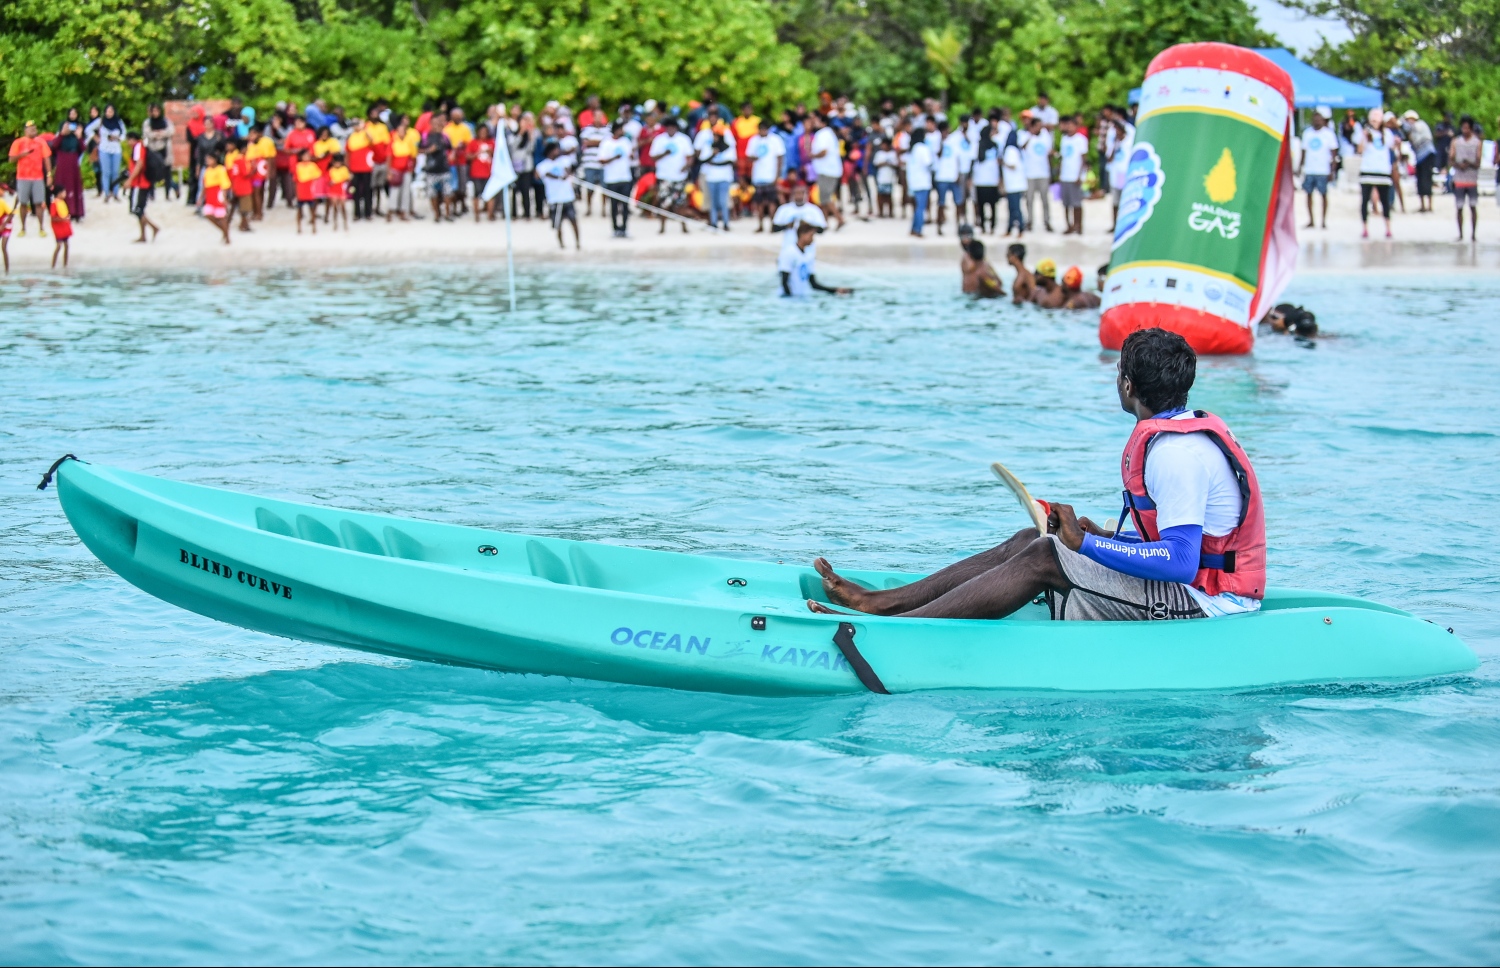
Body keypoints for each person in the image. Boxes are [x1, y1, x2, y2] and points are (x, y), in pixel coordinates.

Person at [807, 327, 1265, 623]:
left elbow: (1182, 563)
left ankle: (898, 629)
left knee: (1046, 555)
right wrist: (1103, 536)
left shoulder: (1176, 454)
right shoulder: (1178, 437)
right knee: (1030, 537)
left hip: (1210, 607)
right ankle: (884, 602)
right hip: (1194, 587)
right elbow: (1173, 547)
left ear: (1127, 385)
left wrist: (1083, 545)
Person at [779, 221, 852, 297]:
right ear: (802, 235)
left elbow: (813, 284)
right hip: (789, 298)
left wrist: (835, 290)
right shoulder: (789, 253)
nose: (813, 239)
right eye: (811, 235)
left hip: (802, 298)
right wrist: (790, 299)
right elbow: (784, 281)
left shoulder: (809, 255)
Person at [1357, 108, 1397, 239]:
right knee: (1365, 200)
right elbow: (1360, 150)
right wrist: (1364, 137)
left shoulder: (1387, 133)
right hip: (1368, 169)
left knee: (1385, 201)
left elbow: (1392, 148)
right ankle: (1365, 228)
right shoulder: (1365, 133)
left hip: (1382, 170)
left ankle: (1388, 227)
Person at [649, 117, 694, 234]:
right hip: (664, 176)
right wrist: (664, 153)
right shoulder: (659, 140)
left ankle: (683, 226)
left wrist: (686, 166)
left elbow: (690, 157)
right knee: (664, 203)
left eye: (673, 128)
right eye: (668, 128)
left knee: (681, 203)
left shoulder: (684, 139)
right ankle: (662, 227)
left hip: (680, 177)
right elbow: (652, 157)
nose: (671, 130)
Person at [9, 121, 52, 236]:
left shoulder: (41, 142)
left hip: (38, 177)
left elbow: (46, 158)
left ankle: (41, 228)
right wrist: (22, 155)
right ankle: (23, 228)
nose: (34, 130)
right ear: (25, 130)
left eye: (35, 128)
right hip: (23, 177)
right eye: (31, 129)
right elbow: (11, 159)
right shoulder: (19, 142)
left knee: (39, 203)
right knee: (23, 203)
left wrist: (49, 175)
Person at [1300, 108, 1338, 229]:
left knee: (1323, 195)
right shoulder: (1307, 134)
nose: (1316, 121)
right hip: (1310, 169)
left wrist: (1332, 170)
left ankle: (1323, 220)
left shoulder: (1328, 134)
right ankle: (1311, 220)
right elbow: (1303, 152)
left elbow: (1334, 154)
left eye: (1319, 119)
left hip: (1323, 169)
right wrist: (1300, 167)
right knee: (1309, 194)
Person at [537, 141, 580, 249]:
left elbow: (568, 169)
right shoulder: (543, 165)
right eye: (556, 149)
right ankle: (561, 245)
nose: (558, 151)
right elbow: (544, 174)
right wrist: (559, 177)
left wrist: (567, 173)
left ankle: (578, 243)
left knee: (574, 221)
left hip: (567, 198)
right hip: (554, 200)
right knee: (558, 225)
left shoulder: (564, 160)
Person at [697, 118, 737, 230]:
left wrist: (713, 162)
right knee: (712, 202)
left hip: (724, 177)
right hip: (711, 177)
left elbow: (730, 161)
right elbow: (703, 160)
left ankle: (725, 223)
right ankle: (714, 223)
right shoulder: (710, 147)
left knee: (723, 202)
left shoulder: (728, 147)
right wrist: (713, 155)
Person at [747, 119, 786, 231]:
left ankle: (772, 224)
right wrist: (754, 158)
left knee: (771, 201)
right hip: (758, 176)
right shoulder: (754, 140)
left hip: (770, 176)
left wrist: (777, 175)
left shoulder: (775, 140)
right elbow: (749, 156)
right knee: (759, 202)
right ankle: (760, 225)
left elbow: (780, 158)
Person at [808, 113, 845, 230]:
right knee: (823, 197)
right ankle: (824, 222)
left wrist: (812, 155)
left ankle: (840, 219)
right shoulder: (827, 133)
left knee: (826, 198)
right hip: (827, 170)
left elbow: (824, 152)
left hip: (827, 171)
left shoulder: (823, 134)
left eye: (816, 120)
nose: (814, 122)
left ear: (822, 122)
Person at [598, 120, 634, 237]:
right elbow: (601, 160)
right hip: (611, 179)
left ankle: (624, 229)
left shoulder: (625, 141)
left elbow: (631, 155)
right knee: (613, 206)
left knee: (624, 206)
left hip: (625, 178)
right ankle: (615, 229)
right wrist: (614, 158)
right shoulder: (606, 143)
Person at [1019, 115, 1052, 232]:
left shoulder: (1045, 135)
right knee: (1029, 199)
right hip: (1030, 173)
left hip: (1043, 173)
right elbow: (1022, 147)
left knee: (1045, 199)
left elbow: (1049, 152)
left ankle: (1047, 221)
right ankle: (1030, 221)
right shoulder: (1024, 135)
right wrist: (1030, 135)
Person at [1451, 115, 1482, 241]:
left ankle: (1473, 234)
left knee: (1473, 206)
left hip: (1472, 179)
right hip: (1459, 179)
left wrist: (1468, 163)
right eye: (1463, 128)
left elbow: (1478, 162)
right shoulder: (1456, 142)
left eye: (1467, 128)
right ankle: (1461, 234)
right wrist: (1459, 165)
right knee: (1459, 207)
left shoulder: (1477, 142)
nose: (1465, 130)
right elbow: (1451, 159)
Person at [125, 131, 158, 242]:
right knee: (140, 210)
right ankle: (143, 235)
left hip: (140, 183)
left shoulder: (138, 147)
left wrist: (130, 180)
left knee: (136, 209)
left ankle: (154, 227)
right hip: (141, 183)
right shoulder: (140, 147)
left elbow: (139, 164)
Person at [1057, 116, 1088, 235]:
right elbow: (1062, 158)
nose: (1069, 128)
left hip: (1075, 176)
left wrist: (1080, 175)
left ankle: (1078, 225)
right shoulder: (1064, 139)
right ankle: (1069, 225)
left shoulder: (1080, 140)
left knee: (1077, 203)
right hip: (1065, 175)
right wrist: (1059, 173)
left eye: (1071, 125)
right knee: (1066, 203)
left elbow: (1083, 159)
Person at [905, 120, 936, 236]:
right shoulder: (923, 149)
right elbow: (928, 164)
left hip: (913, 182)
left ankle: (913, 228)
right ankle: (918, 230)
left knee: (917, 207)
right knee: (921, 208)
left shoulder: (913, 149)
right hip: (923, 182)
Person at [53, 115, 86, 222]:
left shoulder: (75, 138)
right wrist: (62, 134)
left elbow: (82, 148)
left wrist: (79, 136)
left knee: (75, 186)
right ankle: (63, 211)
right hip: (63, 165)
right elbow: (54, 146)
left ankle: (76, 212)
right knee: (63, 186)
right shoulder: (60, 137)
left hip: (73, 165)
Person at [1403, 110, 1435, 212]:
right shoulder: (1412, 131)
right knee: (1420, 181)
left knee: (1427, 180)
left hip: (1427, 155)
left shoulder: (1420, 124)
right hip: (1419, 157)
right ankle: (1423, 205)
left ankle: (1429, 205)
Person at [971, 127, 1001, 234]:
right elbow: (973, 162)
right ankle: (983, 225)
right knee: (982, 205)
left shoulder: (995, 145)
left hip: (991, 179)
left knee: (992, 205)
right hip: (981, 179)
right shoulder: (977, 145)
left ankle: (992, 226)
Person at [420, 123, 452, 222]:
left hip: (444, 168)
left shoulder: (445, 137)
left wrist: (451, 156)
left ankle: (447, 214)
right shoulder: (426, 137)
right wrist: (429, 150)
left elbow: (450, 149)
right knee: (432, 193)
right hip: (431, 170)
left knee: (447, 193)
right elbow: (419, 150)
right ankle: (437, 214)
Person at [94, 105, 127, 202]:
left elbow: (124, 133)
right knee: (106, 172)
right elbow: (88, 129)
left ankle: (116, 193)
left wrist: (118, 138)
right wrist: (96, 138)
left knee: (115, 172)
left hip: (116, 149)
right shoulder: (101, 121)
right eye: (107, 111)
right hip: (104, 149)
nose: (109, 113)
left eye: (111, 111)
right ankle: (107, 193)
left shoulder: (119, 122)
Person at [200, 151, 232, 244]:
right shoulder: (207, 170)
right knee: (208, 214)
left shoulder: (220, 169)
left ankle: (227, 237)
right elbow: (205, 185)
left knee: (221, 216)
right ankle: (223, 231)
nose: (207, 161)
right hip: (210, 194)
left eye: (209, 159)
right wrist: (201, 197)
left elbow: (225, 184)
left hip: (218, 192)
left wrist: (224, 197)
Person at [1001, 131, 1027, 237]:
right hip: (1016, 184)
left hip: (1013, 185)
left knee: (1015, 208)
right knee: (1012, 208)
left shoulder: (1010, 150)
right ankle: (1010, 228)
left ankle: (1020, 228)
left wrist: (1002, 162)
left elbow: (1013, 165)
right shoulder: (1017, 150)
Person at [468, 124, 496, 222]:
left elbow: (498, 156)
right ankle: (476, 215)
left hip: (489, 172)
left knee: (490, 194)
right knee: (476, 194)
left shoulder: (491, 142)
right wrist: (477, 153)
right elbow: (468, 156)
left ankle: (490, 214)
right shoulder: (473, 142)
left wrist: (491, 152)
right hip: (476, 173)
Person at [227, 141, 255, 232]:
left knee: (235, 204)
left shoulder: (236, 159)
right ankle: (243, 225)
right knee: (245, 208)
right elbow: (245, 174)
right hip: (243, 186)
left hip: (236, 184)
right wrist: (254, 169)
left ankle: (228, 221)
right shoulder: (241, 160)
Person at [294, 149, 323, 234]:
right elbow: (296, 179)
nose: (307, 157)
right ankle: (299, 227)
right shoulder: (298, 166)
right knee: (299, 209)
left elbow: (318, 175)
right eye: (305, 156)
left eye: (308, 156)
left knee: (312, 209)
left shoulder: (312, 165)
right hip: (301, 189)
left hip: (310, 189)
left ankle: (314, 227)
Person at [327, 153, 351, 230]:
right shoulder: (331, 170)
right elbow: (328, 180)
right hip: (333, 190)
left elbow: (347, 178)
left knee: (343, 207)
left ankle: (345, 222)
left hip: (341, 190)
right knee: (335, 208)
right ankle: (335, 223)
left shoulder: (344, 169)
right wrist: (331, 182)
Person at [49, 192, 72, 268]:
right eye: (63, 192)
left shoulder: (62, 202)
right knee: (59, 246)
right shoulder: (54, 203)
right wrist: (63, 219)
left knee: (66, 245)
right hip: (58, 228)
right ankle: (53, 266)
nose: (65, 194)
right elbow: (53, 217)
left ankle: (65, 264)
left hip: (64, 227)